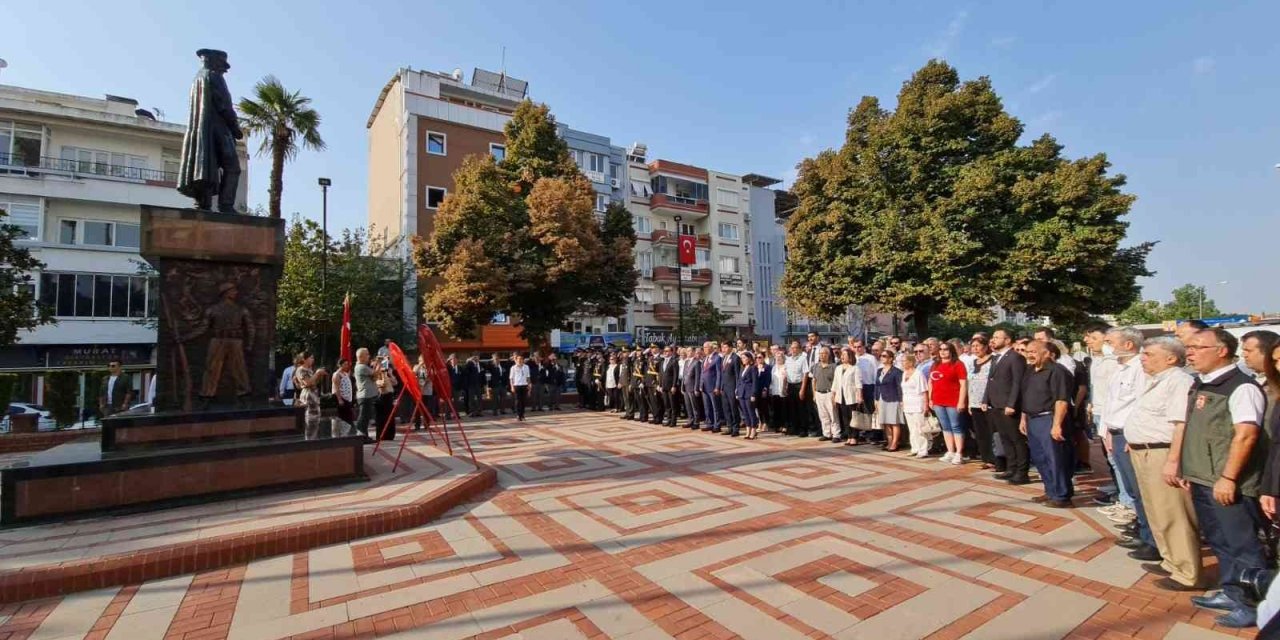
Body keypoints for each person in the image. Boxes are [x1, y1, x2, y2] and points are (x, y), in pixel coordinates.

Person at [1181, 328, 1269, 628]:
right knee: (1220, 539)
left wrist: (1228, 477)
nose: (1189, 352)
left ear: (1221, 351)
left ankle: (1254, 605)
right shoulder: (1201, 383)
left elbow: (1246, 436)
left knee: (1242, 544)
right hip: (1204, 478)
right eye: (1188, 347)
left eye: (1197, 346)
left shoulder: (1241, 387)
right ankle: (1232, 591)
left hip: (1228, 483)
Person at [1124, 336, 1201, 592]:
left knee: (1173, 514)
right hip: (1143, 452)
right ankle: (1171, 561)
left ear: (1171, 358)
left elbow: (1180, 424)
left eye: (1149, 355)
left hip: (1162, 454)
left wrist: (1173, 460)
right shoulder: (1155, 380)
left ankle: (1187, 572)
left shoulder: (1179, 381)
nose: (1143, 359)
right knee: (1156, 511)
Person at [1102, 327, 1158, 558]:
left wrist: (1133, 435)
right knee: (1134, 490)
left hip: (1130, 435)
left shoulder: (1140, 370)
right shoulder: (1120, 369)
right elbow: (1112, 403)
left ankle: (1152, 539)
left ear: (1128, 344)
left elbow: (1140, 405)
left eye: (1110, 341)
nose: (1107, 345)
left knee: (1141, 490)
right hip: (1116, 434)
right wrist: (1105, 431)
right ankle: (1143, 530)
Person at [1020, 340, 1074, 508]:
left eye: (1034, 351)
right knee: (1040, 459)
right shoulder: (1029, 370)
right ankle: (1050, 491)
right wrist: (1023, 418)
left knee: (1055, 458)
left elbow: (1061, 400)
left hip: (1049, 419)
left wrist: (1056, 424)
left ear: (1046, 353)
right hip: (1032, 419)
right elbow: (1026, 395)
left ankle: (1062, 495)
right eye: (1028, 351)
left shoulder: (1058, 371)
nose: (1029, 354)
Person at [985, 329, 1029, 483]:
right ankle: (1011, 468)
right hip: (996, 404)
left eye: (997, 337)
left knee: (1016, 439)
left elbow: (1018, 382)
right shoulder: (996, 357)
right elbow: (991, 380)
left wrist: (1011, 404)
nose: (993, 339)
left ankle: (1022, 472)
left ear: (1008, 340)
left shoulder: (1015, 358)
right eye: (993, 336)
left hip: (1008, 406)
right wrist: (986, 399)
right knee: (1005, 439)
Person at [929, 341, 969, 465]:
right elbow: (930, 382)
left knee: (956, 426)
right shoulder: (935, 364)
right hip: (938, 400)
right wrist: (931, 399)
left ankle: (959, 453)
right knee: (945, 427)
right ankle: (950, 451)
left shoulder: (958, 364)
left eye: (946, 349)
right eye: (940, 349)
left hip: (953, 400)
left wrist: (961, 401)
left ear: (951, 351)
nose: (942, 351)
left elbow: (963, 384)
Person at [967, 335, 998, 469]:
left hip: (988, 402)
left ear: (986, 347)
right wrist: (969, 402)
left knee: (992, 431)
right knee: (980, 433)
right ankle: (986, 458)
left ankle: (996, 458)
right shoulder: (972, 362)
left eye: (978, 346)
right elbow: (970, 383)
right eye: (973, 346)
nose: (975, 349)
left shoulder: (993, 361)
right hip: (974, 402)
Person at [802, 346, 838, 442]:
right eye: (820, 354)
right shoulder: (816, 366)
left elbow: (836, 382)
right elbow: (814, 381)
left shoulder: (834, 366)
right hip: (818, 393)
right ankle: (826, 433)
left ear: (828, 355)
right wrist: (814, 394)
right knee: (823, 415)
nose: (822, 356)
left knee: (833, 415)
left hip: (829, 393)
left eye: (824, 354)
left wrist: (834, 394)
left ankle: (836, 434)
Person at [901, 354, 932, 457]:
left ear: (910, 362)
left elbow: (924, 391)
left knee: (920, 428)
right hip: (907, 404)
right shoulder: (904, 373)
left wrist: (926, 405)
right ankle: (915, 448)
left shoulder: (918, 374)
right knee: (912, 428)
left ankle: (923, 450)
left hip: (918, 404)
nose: (902, 363)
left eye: (904, 360)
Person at [876, 350, 904, 451]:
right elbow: (877, 386)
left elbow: (899, 387)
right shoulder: (879, 371)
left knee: (894, 422)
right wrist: (876, 399)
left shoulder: (897, 371)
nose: (882, 357)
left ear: (891, 358)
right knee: (885, 422)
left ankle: (895, 443)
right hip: (882, 398)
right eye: (881, 356)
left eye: (884, 356)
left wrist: (901, 400)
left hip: (893, 399)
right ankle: (889, 441)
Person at [293, 351, 327, 438]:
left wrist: (320, 376)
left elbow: (313, 382)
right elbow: (307, 383)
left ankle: (313, 440)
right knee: (310, 422)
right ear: (304, 359)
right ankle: (309, 442)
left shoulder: (309, 370)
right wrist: (317, 373)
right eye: (311, 358)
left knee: (315, 422)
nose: (313, 360)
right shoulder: (301, 370)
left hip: (314, 397)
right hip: (308, 397)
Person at [833, 348, 862, 445]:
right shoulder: (838, 368)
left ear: (850, 357)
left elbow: (858, 384)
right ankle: (849, 436)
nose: (842, 356)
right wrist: (833, 395)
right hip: (841, 396)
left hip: (852, 395)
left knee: (853, 417)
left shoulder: (855, 368)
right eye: (842, 355)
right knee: (845, 417)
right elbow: (835, 383)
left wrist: (859, 396)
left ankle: (854, 436)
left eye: (844, 355)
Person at [852, 340, 879, 441]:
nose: (857, 349)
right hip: (855, 387)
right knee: (858, 411)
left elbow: (876, 373)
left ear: (863, 347)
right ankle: (861, 432)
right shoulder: (853, 358)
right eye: (855, 347)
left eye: (859, 346)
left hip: (868, 386)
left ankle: (872, 433)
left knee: (869, 410)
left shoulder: (871, 358)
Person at [353, 348, 378, 442]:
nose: (369, 356)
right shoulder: (361, 367)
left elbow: (374, 377)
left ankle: (364, 436)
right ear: (361, 357)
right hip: (365, 396)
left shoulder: (363, 366)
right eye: (367, 354)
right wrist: (378, 364)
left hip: (366, 396)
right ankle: (361, 437)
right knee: (363, 418)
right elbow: (375, 373)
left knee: (365, 418)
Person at [718, 342, 742, 432]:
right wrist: (721, 387)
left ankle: (736, 428)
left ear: (731, 347)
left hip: (732, 387)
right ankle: (729, 426)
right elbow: (722, 374)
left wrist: (737, 388)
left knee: (733, 408)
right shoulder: (723, 358)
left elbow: (737, 375)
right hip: (724, 387)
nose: (723, 349)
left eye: (725, 347)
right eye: (722, 347)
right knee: (726, 408)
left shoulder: (735, 358)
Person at [736, 351, 759, 438]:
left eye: (745, 358)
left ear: (749, 358)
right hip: (742, 392)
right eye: (742, 358)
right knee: (745, 412)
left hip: (749, 393)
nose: (743, 360)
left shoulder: (753, 368)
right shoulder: (742, 368)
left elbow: (754, 382)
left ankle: (753, 429)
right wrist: (737, 391)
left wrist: (753, 394)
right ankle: (748, 429)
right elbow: (739, 381)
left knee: (751, 412)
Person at [682, 347, 703, 429]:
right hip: (686, 386)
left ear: (694, 352)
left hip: (692, 387)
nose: (688, 352)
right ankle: (690, 420)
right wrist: (682, 387)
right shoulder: (686, 361)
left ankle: (696, 421)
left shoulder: (697, 362)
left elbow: (698, 377)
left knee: (695, 406)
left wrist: (696, 388)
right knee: (688, 405)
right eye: (687, 351)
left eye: (690, 351)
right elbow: (684, 375)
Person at [333, 358, 355, 435]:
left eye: (347, 364)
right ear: (340, 365)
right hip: (342, 399)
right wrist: (339, 399)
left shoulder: (345, 374)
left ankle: (347, 433)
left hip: (348, 399)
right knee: (345, 417)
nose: (347, 366)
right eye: (345, 364)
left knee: (349, 417)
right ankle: (343, 434)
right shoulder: (337, 374)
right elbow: (336, 388)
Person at [752, 352, 772, 433]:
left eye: (760, 357)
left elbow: (768, 379)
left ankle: (766, 423)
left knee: (764, 407)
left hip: (763, 389)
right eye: (756, 357)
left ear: (763, 358)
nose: (758, 359)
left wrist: (765, 389)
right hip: (756, 390)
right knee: (758, 407)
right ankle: (760, 422)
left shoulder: (767, 367)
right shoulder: (754, 367)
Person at [661, 345, 680, 427]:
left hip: (671, 386)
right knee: (667, 404)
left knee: (673, 404)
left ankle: (673, 421)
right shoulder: (662, 361)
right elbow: (660, 374)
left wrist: (674, 386)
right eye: (665, 351)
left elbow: (676, 375)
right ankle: (668, 419)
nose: (666, 352)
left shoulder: (674, 361)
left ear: (671, 352)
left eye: (668, 351)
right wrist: (660, 385)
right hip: (664, 386)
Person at [510, 353, 531, 421]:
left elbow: (528, 377)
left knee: (523, 401)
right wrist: (512, 387)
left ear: (523, 360)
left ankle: (522, 415)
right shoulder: (513, 368)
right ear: (516, 360)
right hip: (517, 386)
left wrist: (529, 385)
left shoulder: (526, 367)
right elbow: (511, 378)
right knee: (518, 401)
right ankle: (518, 415)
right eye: (518, 359)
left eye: (521, 359)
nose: (520, 360)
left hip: (524, 385)